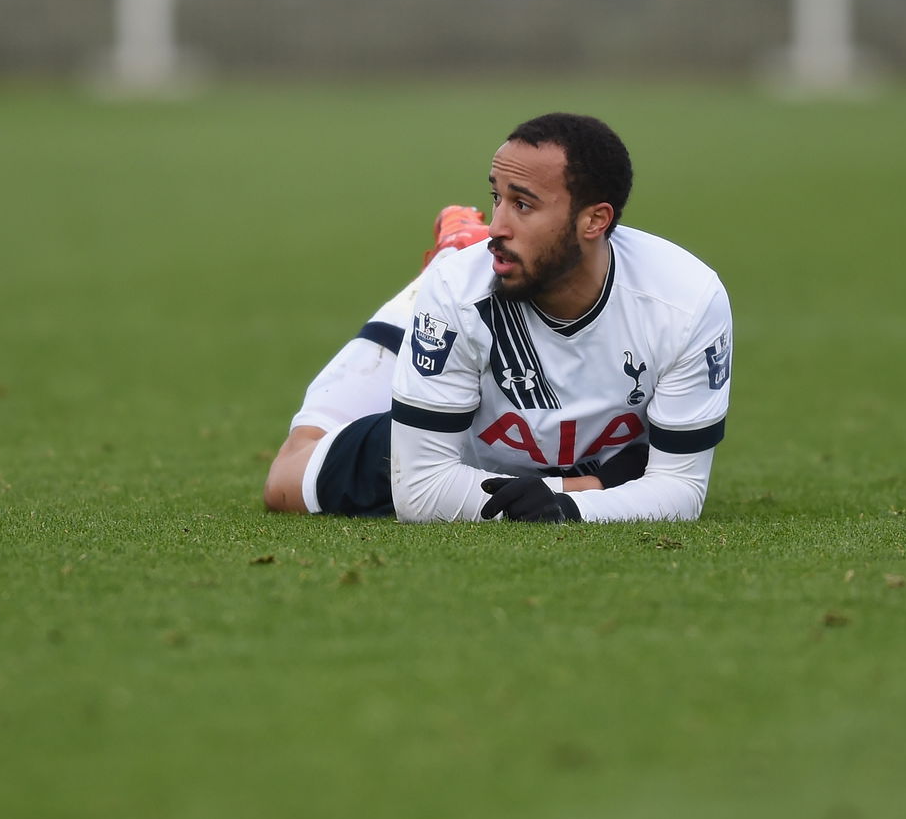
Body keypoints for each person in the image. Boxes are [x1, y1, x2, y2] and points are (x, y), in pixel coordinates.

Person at [262, 112, 731, 523]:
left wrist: (566, 509)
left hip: (556, 449)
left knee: (634, 464)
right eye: (497, 199)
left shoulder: (686, 302)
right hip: (459, 412)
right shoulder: (454, 293)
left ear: (594, 220)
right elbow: (420, 491)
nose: (498, 226)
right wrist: (576, 492)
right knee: (286, 482)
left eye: (522, 205)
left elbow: (680, 490)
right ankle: (451, 253)